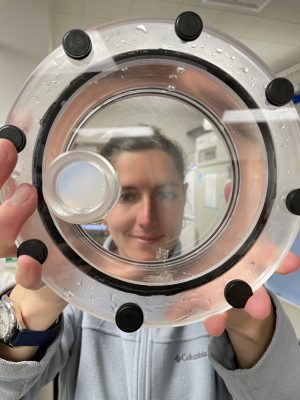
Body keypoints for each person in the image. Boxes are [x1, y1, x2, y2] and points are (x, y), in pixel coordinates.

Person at [0, 130, 299, 400]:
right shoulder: (75, 299)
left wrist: (253, 333)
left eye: (166, 194)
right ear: (103, 207)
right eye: (127, 195)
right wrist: (29, 311)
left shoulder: (227, 292)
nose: (147, 217)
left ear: (183, 197)